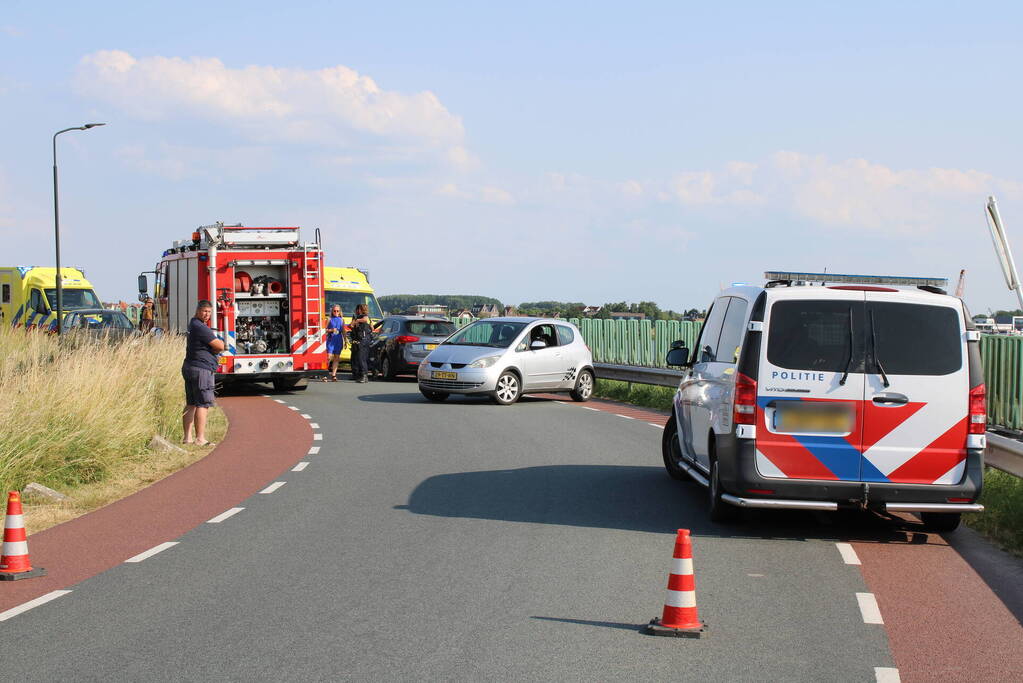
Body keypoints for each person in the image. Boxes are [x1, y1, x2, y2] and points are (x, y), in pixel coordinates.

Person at [182, 300, 225, 446]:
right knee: (202, 404)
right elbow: (220, 345)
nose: (207, 315)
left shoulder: (193, 323)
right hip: (201, 369)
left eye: (209, 312)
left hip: (190, 366)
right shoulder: (200, 327)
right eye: (204, 311)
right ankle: (200, 439)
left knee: (191, 403)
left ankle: (187, 438)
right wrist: (214, 348)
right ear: (198, 310)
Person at [348, 303, 372, 383]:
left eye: (359, 309)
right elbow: (372, 327)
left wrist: (357, 321)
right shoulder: (359, 317)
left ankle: (364, 376)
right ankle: (360, 375)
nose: (357, 310)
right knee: (359, 358)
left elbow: (365, 320)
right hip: (362, 338)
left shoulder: (364, 317)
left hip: (363, 339)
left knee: (361, 358)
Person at [324, 304, 347, 381]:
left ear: (340, 311)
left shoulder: (341, 320)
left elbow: (343, 331)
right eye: (334, 311)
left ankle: (333, 375)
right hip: (331, 339)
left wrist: (345, 340)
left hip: (338, 340)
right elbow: (323, 330)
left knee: (337, 358)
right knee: (328, 357)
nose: (336, 312)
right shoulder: (329, 319)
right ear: (332, 311)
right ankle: (325, 374)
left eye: (338, 311)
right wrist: (331, 330)